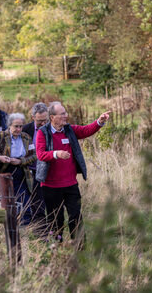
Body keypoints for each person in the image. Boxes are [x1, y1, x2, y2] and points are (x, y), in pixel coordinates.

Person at [35, 101, 111, 246]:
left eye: (66, 113)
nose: (66, 116)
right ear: (52, 117)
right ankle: (55, 246)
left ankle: (80, 246)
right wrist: (56, 154)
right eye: (62, 114)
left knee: (75, 216)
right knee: (55, 219)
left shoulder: (69, 130)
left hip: (70, 184)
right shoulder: (42, 132)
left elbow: (86, 130)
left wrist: (99, 122)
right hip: (50, 186)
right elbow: (40, 154)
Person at [0, 113, 37, 225]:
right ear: (9, 125)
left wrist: (21, 161)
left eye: (21, 126)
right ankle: (2, 228)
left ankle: (23, 230)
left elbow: (34, 155)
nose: (18, 129)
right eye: (16, 126)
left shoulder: (26, 137)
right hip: (2, 172)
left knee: (23, 203)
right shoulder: (0, 136)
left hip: (21, 173)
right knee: (3, 202)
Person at [22, 102, 48, 234]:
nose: (43, 123)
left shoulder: (51, 129)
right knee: (30, 200)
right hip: (28, 170)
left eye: (45, 120)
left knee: (42, 201)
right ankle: (34, 229)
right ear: (33, 117)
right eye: (40, 121)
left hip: (46, 170)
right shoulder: (25, 129)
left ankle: (43, 230)